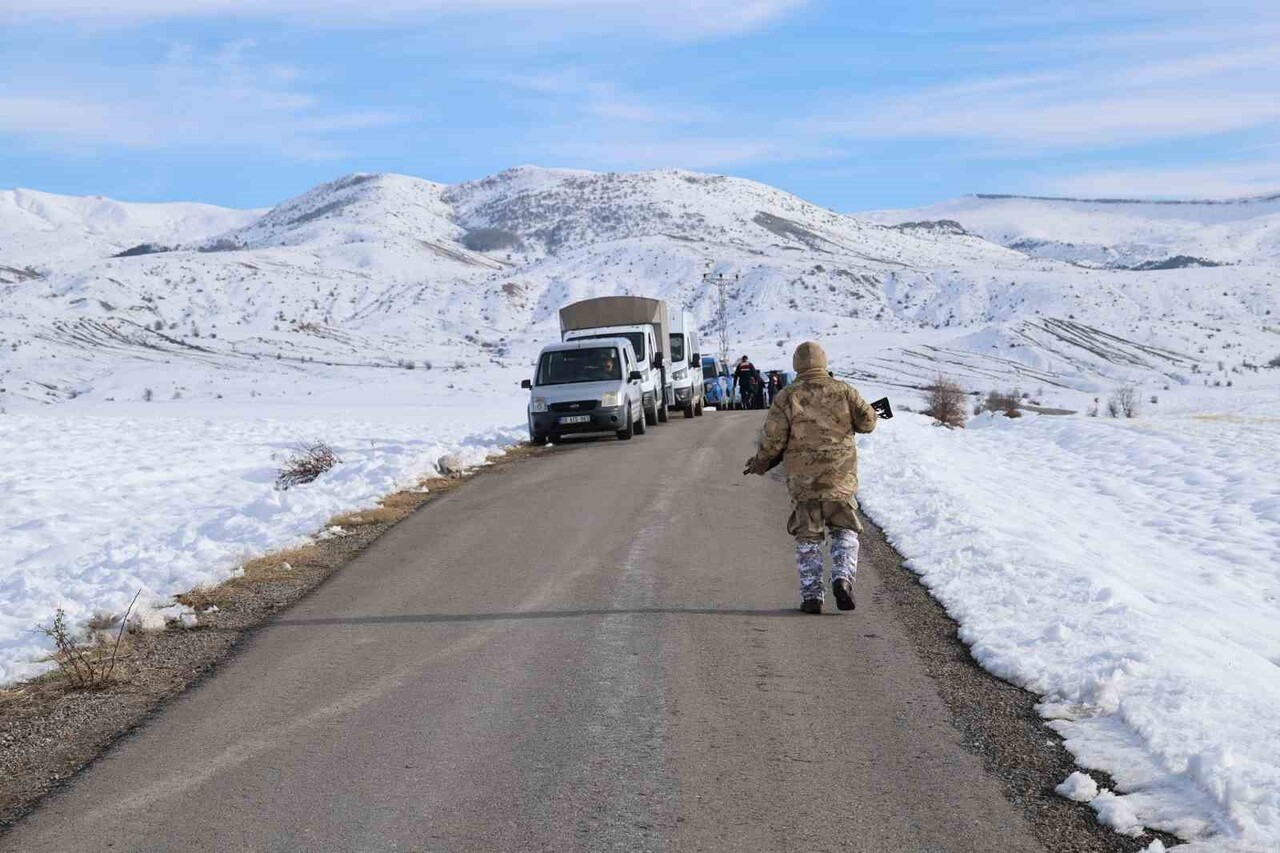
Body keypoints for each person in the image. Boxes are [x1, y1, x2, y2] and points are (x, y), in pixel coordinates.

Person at [743, 341, 878, 614]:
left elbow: (773, 441)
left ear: (796, 365)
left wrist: (759, 464)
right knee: (845, 530)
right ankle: (842, 578)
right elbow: (868, 422)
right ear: (824, 362)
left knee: (808, 538)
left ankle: (812, 596)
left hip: (804, 483)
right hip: (839, 479)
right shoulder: (844, 391)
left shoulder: (786, 396)